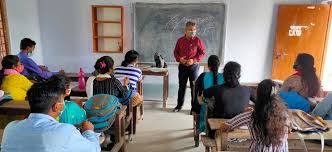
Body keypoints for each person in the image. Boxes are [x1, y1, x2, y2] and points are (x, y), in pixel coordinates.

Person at [1, 76, 101, 152]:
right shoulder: (65, 131)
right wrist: (88, 131)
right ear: (57, 107)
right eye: (62, 100)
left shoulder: (11, 127)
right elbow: (94, 149)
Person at [220, 79, 289, 152]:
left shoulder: (251, 116)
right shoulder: (284, 114)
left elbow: (226, 125)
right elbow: (289, 130)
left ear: (258, 95)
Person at [203, 61, 250, 137]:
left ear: (223, 75)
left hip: (218, 132)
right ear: (239, 75)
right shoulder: (247, 90)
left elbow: (204, 94)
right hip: (242, 133)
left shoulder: (216, 89)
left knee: (209, 109)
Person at [173, 21, 206, 112]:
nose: (193, 31)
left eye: (194, 30)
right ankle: (179, 106)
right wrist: (180, 59)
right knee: (181, 86)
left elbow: (202, 52)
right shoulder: (180, 40)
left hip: (194, 67)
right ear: (186, 30)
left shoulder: (197, 40)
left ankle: (194, 108)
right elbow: (175, 52)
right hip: (183, 66)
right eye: (191, 30)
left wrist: (194, 60)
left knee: (194, 87)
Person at [192, 55, 224, 133]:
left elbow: (196, 92)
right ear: (219, 66)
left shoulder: (203, 76)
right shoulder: (223, 77)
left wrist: (194, 107)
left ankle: (203, 127)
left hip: (206, 107)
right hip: (221, 108)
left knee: (203, 103)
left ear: (208, 66)